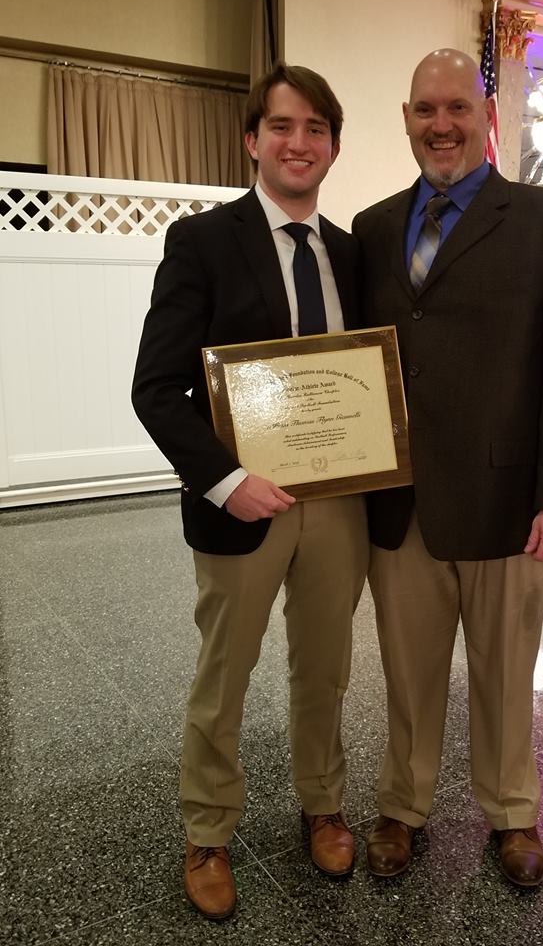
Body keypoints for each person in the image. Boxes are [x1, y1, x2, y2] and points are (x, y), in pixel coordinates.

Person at [352, 48, 543, 887]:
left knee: (505, 670)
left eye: (458, 107)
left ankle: (511, 811)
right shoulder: (375, 227)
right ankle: (403, 805)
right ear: (405, 118)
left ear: (486, 118)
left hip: (508, 501)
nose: (441, 124)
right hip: (404, 504)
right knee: (407, 668)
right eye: (426, 109)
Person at [132, 63, 368, 920]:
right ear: (252, 140)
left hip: (340, 504)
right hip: (240, 506)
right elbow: (157, 387)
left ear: (334, 145)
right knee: (224, 674)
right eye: (281, 127)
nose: (298, 143)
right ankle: (208, 829)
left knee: (328, 668)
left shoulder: (350, 252)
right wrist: (226, 481)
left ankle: (323, 802)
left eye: (314, 128)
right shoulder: (202, 241)